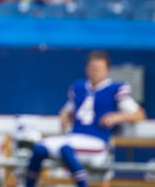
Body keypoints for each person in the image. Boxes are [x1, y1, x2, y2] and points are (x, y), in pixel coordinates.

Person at [25, 51, 146, 187]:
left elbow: (139, 114)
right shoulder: (79, 87)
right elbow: (68, 109)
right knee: (39, 148)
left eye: (99, 69)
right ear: (86, 69)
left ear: (107, 70)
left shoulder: (115, 89)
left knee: (66, 149)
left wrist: (117, 117)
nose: (95, 72)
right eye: (92, 68)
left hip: (97, 141)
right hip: (75, 136)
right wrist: (65, 114)